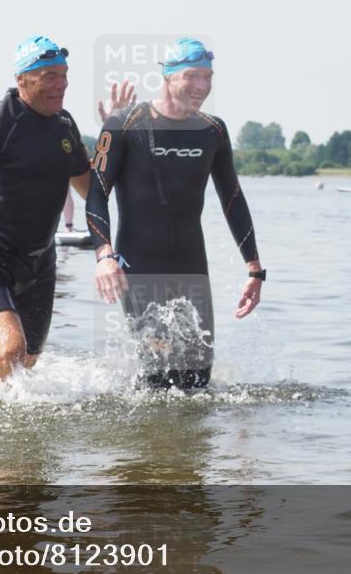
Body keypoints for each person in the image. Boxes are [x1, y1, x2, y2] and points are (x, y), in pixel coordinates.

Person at [0, 36, 128, 379]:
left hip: (39, 263)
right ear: (22, 79)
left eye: (64, 75)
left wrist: (114, 132)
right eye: (50, 76)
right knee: (10, 349)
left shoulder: (64, 124)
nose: (61, 84)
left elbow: (92, 190)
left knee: (27, 362)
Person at [85, 37, 263, 389]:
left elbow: (233, 199)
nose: (202, 86)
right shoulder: (124, 123)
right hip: (137, 266)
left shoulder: (213, 131)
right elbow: (96, 195)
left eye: (208, 77)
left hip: (191, 267)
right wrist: (104, 255)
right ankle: (150, 443)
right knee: (156, 375)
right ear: (168, 76)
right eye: (193, 77)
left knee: (197, 379)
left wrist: (255, 270)